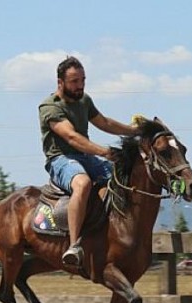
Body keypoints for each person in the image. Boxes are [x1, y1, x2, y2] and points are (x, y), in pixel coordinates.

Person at [38, 56, 139, 267]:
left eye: (83, 80)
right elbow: (72, 137)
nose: (80, 85)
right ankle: (74, 246)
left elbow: (104, 122)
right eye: (74, 81)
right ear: (60, 83)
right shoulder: (49, 107)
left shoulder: (84, 100)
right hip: (61, 159)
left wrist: (134, 131)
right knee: (82, 183)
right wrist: (104, 152)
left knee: (126, 177)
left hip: (86, 157)